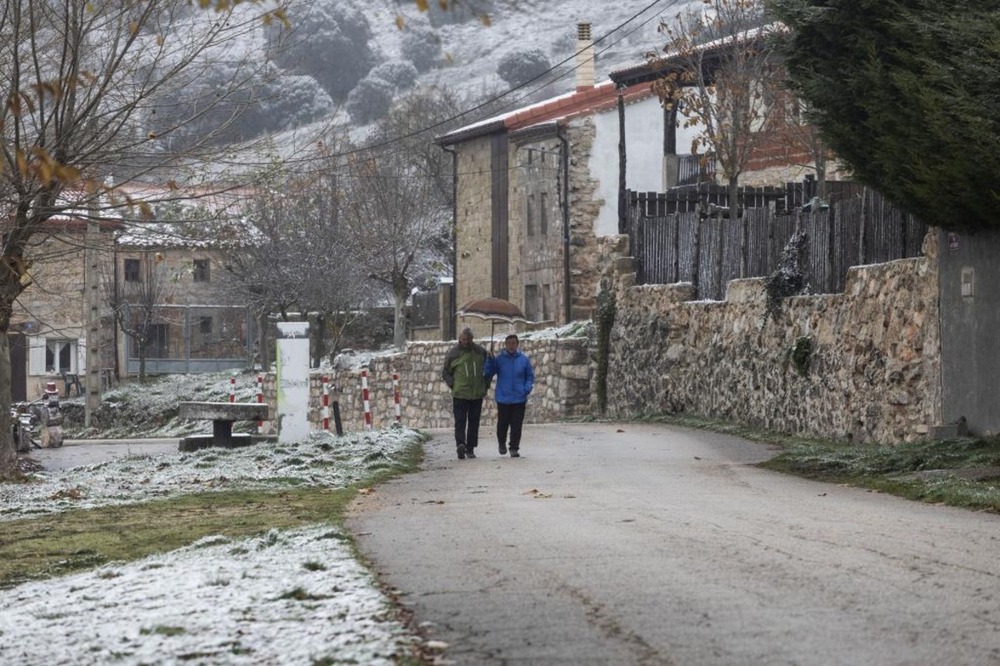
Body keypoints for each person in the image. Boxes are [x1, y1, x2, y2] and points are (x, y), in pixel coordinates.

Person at [442, 327, 489, 460]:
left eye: (468, 339)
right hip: (460, 394)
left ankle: (471, 448)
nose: (466, 341)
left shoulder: (480, 352)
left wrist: (486, 384)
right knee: (460, 421)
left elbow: (489, 368)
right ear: (459, 339)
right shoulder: (453, 353)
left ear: (472, 339)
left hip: (476, 393)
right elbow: (445, 372)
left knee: (474, 422)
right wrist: (453, 384)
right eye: (464, 339)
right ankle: (460, 445)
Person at [484, 334, 534, 458]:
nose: (511, 345)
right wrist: (489, 360)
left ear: (517, 344)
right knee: (503, 423)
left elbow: (530, 376)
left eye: (513, 343)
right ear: (505, 345)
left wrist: (527, 388)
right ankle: (502, 443)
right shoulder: (499, 359)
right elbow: (488, 373)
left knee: (517, 424)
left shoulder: (524, 359)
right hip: (503, 398)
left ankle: (514, 448)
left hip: (519, 397)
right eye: (509, 343)